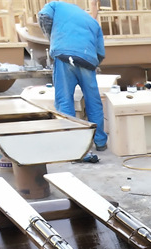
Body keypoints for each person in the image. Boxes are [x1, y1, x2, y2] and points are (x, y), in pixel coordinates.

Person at [38, 1, 108, 152]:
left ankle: (72, 143)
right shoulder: (92, 22)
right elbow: (101, 52)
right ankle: (100, 141)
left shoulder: (55, 5)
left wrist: (52, 39)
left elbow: (44, 17)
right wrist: (92, 64)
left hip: (64, 57)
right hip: (88, 60)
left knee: (64, 100)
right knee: (93, 101)